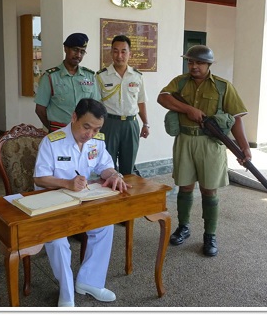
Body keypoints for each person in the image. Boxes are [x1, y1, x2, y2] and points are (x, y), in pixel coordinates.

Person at [157, 45, 251, 257]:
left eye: (199, 62)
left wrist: (243, 147)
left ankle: (210, 234)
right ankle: (184, 227)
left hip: (210, 143)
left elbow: (236, 117)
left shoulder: (222, 86)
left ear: (209, 65)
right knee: (185, 187)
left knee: (209, 190)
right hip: (185, 139)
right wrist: (188, 109)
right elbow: (162, 97)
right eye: (190, 61)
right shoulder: (180, 82)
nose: (194, 66)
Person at [33, 98, 128, 307]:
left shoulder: (97, 141)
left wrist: (113, 174)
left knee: (105, 225)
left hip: (82, 202)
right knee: (58, 242)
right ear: (74, 117)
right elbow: (39, 178)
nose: (90, 134)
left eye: (96, 129)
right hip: (52, 202)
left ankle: (89, 282)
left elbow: (105, 166)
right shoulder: (52, 141)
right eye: (86, 127)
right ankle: (66, 294)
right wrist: (67, 183)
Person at [96, 35, 150, 175]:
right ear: (111, 53)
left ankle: (127, 194)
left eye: (123, 51)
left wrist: (145, 124)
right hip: (109, 124)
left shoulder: (137, 76)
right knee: (107, 165)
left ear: (130, 54)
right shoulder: (101, 76)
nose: (119, 55)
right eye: (115, 51)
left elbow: (141, 101)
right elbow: (96, 104)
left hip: (130, 125)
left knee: (129, 166)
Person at [34, 33, 100, 132]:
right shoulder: (50, 77)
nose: (78, 55)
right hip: (59, 130)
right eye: (75, 50)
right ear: (65, 49)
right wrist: (53, 130)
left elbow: (95, 106)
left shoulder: (89, 76)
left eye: (82, 52)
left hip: (84, 132)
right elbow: (40, 110)